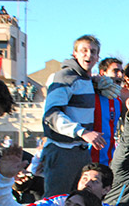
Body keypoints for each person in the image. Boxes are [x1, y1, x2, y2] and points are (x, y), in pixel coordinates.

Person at [41, 35, 105, 197]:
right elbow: (51, 115)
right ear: (74, 54)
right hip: (62, 151)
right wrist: (82, 131)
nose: (88, 55)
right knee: (56, 204)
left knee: (79, 204)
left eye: (93, 52)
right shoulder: (64, 76)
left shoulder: (87, 79)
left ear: (98, 57)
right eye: (84, 51)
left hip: (81, 151)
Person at [90, 57, 124, 166]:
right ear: (102, 73)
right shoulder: (90, 95)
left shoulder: (118, 101)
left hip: (108, 159)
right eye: (115, 71)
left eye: (122, 72)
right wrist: (92, 80)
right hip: (88, 157)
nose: (120, 75)